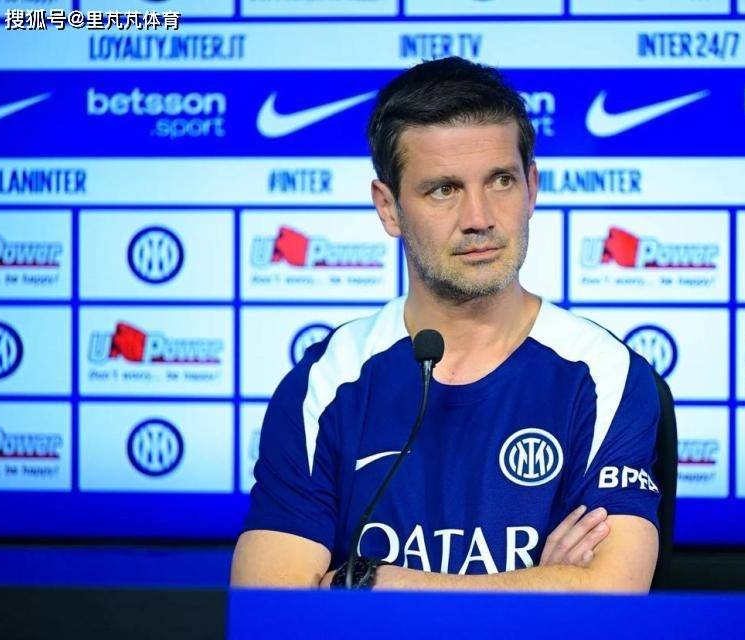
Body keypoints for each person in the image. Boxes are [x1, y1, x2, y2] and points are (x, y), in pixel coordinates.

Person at [231, 56, 661, 593]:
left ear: (532, 187)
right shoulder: (327, 380)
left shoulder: (606, 374)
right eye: (443, 189)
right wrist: (539, 586)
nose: (479, 218)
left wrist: (373, 584)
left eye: (501, 181)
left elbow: (610, 593)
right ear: (388, 208)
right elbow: (271, 606)